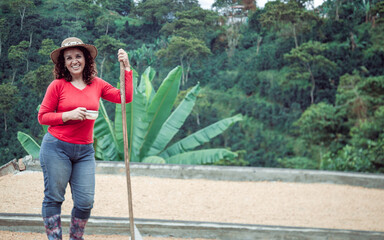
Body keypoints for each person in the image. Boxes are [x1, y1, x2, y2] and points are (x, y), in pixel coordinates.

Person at [38, 37, 133, 240]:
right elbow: (43, 117)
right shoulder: (57, 86)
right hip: (56, 148)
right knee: (54, 197)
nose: (74, 60)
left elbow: (125, 97)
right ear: (63, 62)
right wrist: (67, 115)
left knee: (85, 202)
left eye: (78, 56)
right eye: (69, 57)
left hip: (84, 151)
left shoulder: (96, 84)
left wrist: (126, 67)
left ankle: (76, 237)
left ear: (86, 59)